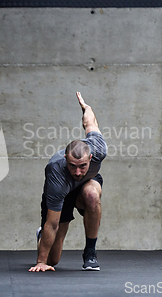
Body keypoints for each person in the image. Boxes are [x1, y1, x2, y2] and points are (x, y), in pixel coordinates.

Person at [29, 92, 107, 272]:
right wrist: (41, 262)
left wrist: (86, 107)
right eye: (72, 166)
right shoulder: (56, 173)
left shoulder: (99, 148)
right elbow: (52, 223)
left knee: (92, 195)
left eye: (83, 166)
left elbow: (90, 123)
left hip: (88, 184)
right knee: (52, 260)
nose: (78, 172)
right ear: (65, 159)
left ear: (91, 158)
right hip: (63, 192)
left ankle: (90, 252)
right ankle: (41, 237)